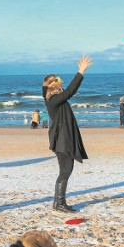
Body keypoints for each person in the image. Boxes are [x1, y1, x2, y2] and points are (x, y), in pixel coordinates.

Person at [42, 55, 92, 213]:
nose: (60, 85)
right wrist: (81, 71)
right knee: (65, 171)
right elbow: (70, 91)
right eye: (57, 83)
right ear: (53, 87)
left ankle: (58, 203)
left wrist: (53, 82)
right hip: (62, 141)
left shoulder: (54, 98)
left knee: (65, 171)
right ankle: (59, 203)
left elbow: (60, 90)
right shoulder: (54, 100)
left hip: (63, 139)